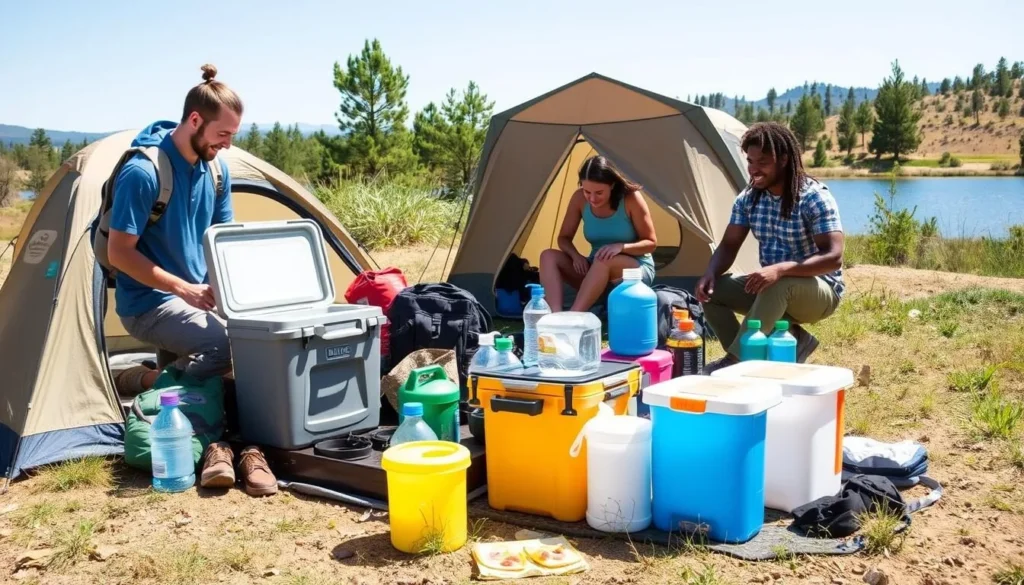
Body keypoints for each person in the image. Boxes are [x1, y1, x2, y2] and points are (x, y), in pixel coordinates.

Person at [106, 64, 277, 497]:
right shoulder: (144, 173)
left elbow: (220, 241)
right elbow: (119, 253)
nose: (228, 144)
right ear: (195, 120)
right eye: (224, 134)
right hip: (147, 302)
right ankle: (148, 384)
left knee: (257, 333)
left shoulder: (216, 171)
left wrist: (238, 293)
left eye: (234, 135)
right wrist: (186, 289)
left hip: (193, 299)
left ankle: (154, 379)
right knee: (222, 345)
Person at [697, 121, 845, 373]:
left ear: (784, 160)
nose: (754, 169)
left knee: (779, 280)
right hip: (774, 288)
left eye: (762, 162)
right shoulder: (749, 198)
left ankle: (736, 362)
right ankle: (770, 350)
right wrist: (710, 272)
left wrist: (780, 269)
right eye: (750, 161)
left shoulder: (814, 197)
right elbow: (729, 245)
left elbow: (833, 257)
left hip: (819, 292)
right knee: (712, 291)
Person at [539, 156, 657, 312]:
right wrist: (575, 256)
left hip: (633, 270)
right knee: (548, 256)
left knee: (603, 260)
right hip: (595, 269)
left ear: (612, 185)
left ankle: (574, 316)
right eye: (587, 191)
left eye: (599, 192)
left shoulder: (631, 199)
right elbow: (563, 238)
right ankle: (555, 314)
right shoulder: (579, 198)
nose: (592, 198)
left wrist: (620, 247)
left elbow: (651, 243)